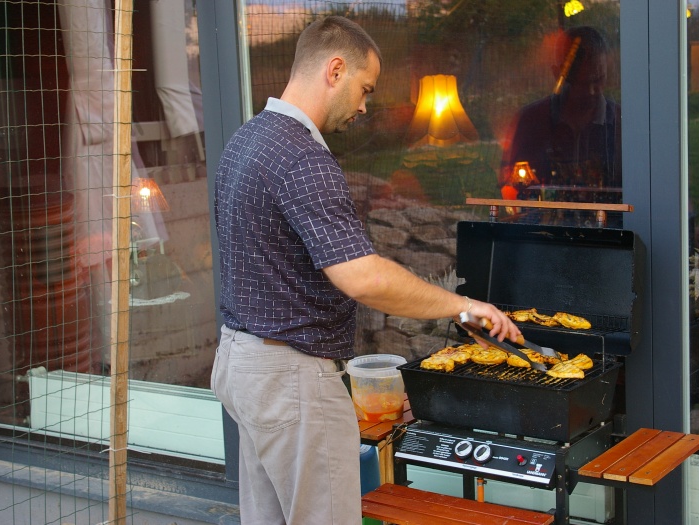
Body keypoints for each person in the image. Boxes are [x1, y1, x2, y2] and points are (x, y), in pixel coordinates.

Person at [210, 16, 520, 525]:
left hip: (243, 366)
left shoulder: (247, 139)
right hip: (291, 380)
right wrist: (463, 304)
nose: (364, 106)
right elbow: (364, 277)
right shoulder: (302, 156)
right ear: (335, 70)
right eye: (365, 88)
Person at [500, 26, 622, 226]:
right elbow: (509, 188)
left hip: (608, 237)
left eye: (599, 80)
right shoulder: (531, 122)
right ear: (557, 75)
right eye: (583, 84)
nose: (593, 91)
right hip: (545, 237)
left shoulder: (620, 123)